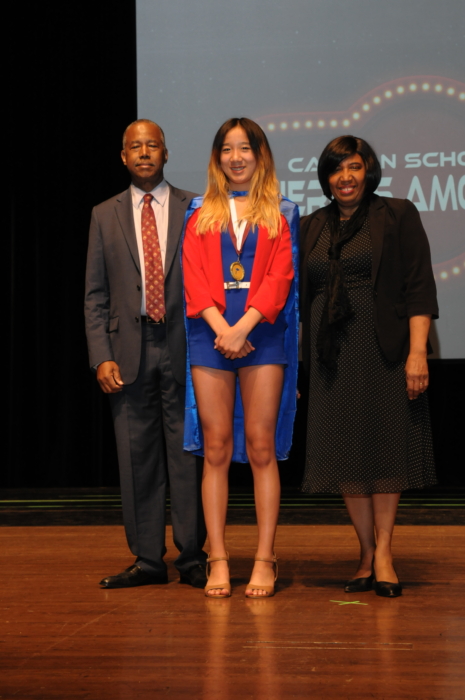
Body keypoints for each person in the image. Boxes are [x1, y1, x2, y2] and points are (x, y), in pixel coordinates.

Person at [300, 135, 438, 598]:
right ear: (326, 177)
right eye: (337, 169)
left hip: (385, 348)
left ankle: (384, 554)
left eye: (354, 167)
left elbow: (419, 287)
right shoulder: (311, 226)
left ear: (368, 171)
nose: (346, 177)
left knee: (384, 448)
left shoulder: (397, 214)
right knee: (346, 452)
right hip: (331, 354)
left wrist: (417, 353)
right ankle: (365, 551)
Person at [85, 119, 207, 589]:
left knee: (188, 456)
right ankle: (148, 560)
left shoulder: (194, 207)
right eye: (134, 146)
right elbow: (95, 294)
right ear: (123, 156)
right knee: (137, 459)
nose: (143, 153)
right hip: (127, 353)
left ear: (166, 153)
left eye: (152, 145)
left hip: (185, 349)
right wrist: (101, 355)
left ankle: (192, 556)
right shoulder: (104, 214)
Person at [182, 117, 299, 598]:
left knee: (260, 447)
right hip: (209, 336)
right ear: (217, 158)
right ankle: (218, 557)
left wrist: (244, 327)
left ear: (260, 155)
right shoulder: (200, 213)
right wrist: (223, 330)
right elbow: (193, 277)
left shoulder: (279, 213)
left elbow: (280, 277)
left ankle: (265, 558)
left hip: (262, 337)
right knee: (214, 449)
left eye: (245, 148)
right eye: (227, 149)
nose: (236, 157)